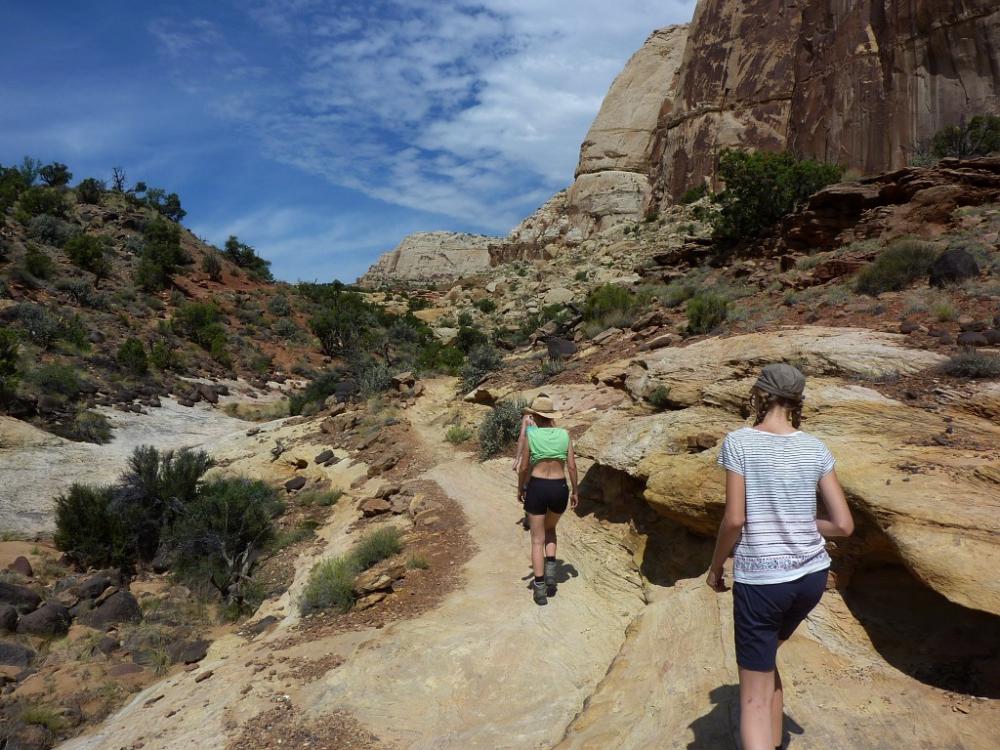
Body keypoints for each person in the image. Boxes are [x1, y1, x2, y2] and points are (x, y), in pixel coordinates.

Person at [707, 363, 853, 750]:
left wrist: (716, 565)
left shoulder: (739, 442)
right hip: (811, 578)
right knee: (766, 661)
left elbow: (735, 519)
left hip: (763, 584)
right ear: (796, 400)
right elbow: (843, 525)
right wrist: (800, 523)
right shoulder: (815, 447)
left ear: (759, 394)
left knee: (751, 697)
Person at [516, 394, 579, 605]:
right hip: (559, 488)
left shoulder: (532, 436)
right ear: (551, 415)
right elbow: (571, 466)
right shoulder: (564, 434)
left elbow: (524, 466)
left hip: (537, 487)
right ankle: (552, 573)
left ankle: (540, 587)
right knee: (551, 530)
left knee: (537, 539)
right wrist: (575, 491)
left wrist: (520, 488)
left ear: (534, 415)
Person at [512, 408, 539, 530]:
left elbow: (522, 437)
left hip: (530, 454)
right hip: (544, 454)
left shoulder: (527, 418)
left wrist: (518, 458)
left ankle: (529, 515)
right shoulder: (549, 420)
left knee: (528, 483)